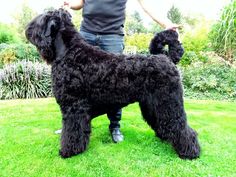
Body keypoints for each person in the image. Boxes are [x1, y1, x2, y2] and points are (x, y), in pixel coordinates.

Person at [60, 0, 180, 143]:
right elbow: (79, 3)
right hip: (87, 33)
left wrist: (166, 23)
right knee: (77, 89)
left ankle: (115, 126)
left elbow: (146, 5)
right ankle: (74, 127)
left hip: (112, 36)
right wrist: (69, 5)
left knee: (117, 84)